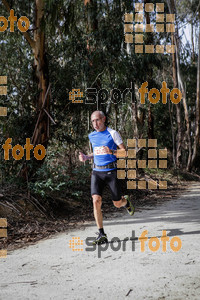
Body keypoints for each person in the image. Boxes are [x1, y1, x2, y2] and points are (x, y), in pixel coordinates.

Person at [79, 110, 135, 244]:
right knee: (95, 201)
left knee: (117, 204)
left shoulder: (113, 133)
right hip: (97, 172)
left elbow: (125, 153)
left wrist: (112, 151)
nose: (95, 123)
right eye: (93, 121)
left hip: (111, 171)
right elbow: (97, 152)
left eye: (97, 120)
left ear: (104, 119)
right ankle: (101, 234)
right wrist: (87, 157)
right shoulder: (91, 136)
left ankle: (125, 202)